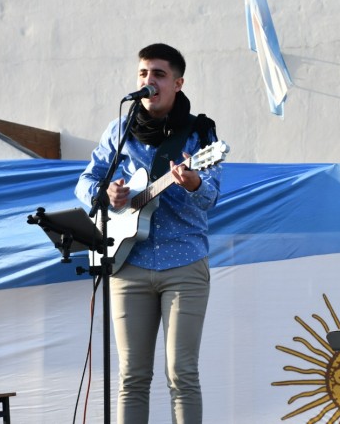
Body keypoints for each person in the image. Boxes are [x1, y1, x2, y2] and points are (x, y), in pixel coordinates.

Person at [75, 43, 222, 424]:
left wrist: (191, 182)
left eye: (158, 74)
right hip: (127, 263)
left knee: (182, 373)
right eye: (143, 73)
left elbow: (212, 195)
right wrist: (105, 193)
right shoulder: (120, 130)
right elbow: (86, 181)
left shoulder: (199, 134)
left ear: (177, 82)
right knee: (132, 377)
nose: (148, 81)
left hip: (184, 263)